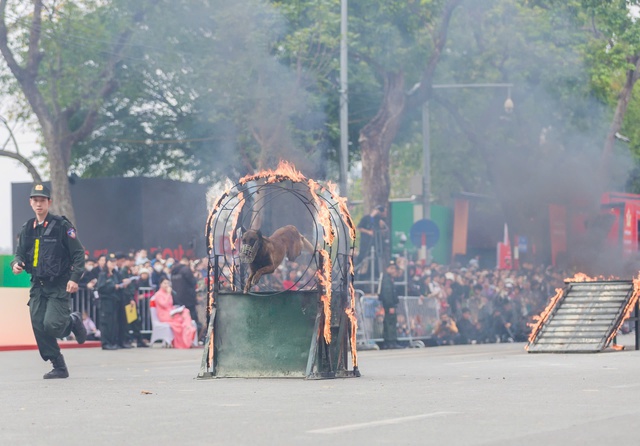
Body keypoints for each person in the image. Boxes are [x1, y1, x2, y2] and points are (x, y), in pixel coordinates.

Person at [10, 183, 87, 379]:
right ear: (30, 203)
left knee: (52, 324)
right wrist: (17, 263)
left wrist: (74, 278)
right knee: (38, 324)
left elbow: (78, 254)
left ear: (49, 202)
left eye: (42, 200)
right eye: (35, 200)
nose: (38, 204)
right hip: (37, 284)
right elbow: (19, 253)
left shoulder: (62, 226)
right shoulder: (28, 227)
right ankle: (59, 366)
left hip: (58, 284)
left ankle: (73, 321)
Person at [152, 278, 196, 349]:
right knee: (181, 319)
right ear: (160, 284)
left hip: (170, 313)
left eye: (167, 283)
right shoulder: (158, 294)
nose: (166, 285)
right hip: (164, 315)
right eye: (164, 283)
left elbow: (171, 305)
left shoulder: (167, 293)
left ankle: (188, 330)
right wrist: (169, 294)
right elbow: (165, 305)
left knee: (185, 311)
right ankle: (187, 332)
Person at [170, 257, 201, 337]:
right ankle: (194, 337)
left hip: (177, 298)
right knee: (192, 319)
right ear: (187, 262)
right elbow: (193, 282)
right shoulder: (186, 270)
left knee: (181, 319)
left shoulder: (173, 270)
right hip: (188, 299)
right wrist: (195, 276)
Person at [378, 261, 402, 349]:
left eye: (394, 269)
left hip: (390, 305)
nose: (393, 271)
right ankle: (390, 341)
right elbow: (387, 294)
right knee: (390, 323)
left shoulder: (389, 279)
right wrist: (391, 305)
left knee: (391, 322)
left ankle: (391, 341)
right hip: (389, 305)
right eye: (391, 268)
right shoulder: (386, 280)